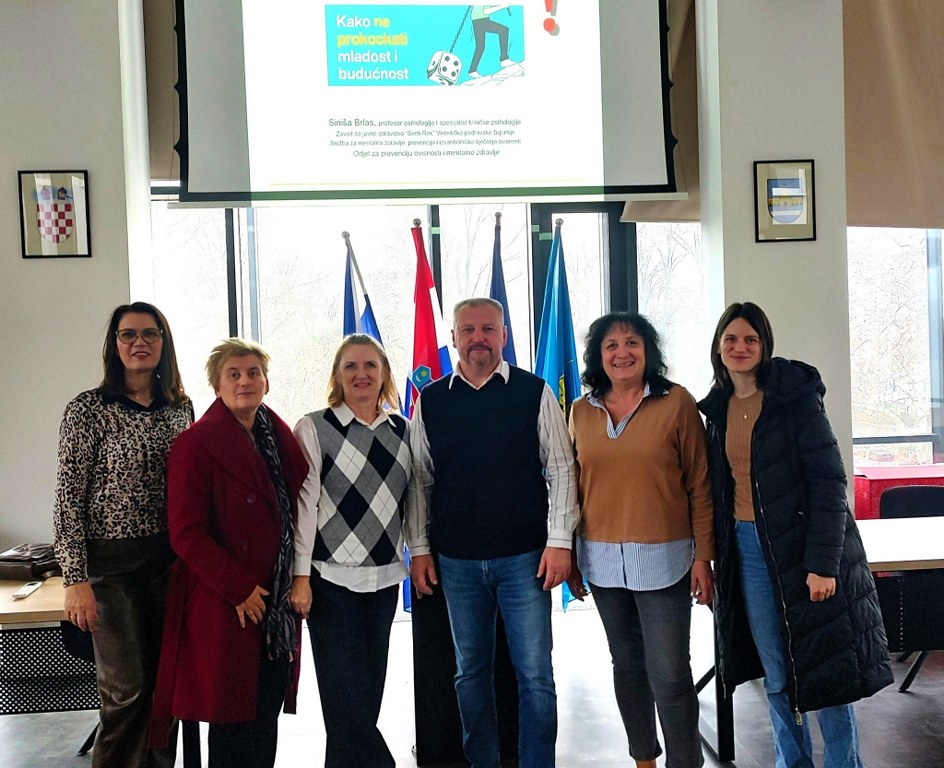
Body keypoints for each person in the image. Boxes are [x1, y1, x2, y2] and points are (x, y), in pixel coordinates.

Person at [698, 302, 892, 768]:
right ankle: (792, 762)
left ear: (764, 345)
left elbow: (829, 481)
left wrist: (822, 564)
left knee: (825, 670)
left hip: (805, 550)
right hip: (747, 551)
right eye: (731, 339)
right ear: (718, 348)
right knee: (776, 671)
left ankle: (844, 763)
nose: (740, 347)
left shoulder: (795, 397)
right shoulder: (718, 409)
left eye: (750, 339)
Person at [406, 297, 578, 768]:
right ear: (454, 339)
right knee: (469, 674)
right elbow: (419, 480)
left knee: (535, 675)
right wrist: (419, 548)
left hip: (526, 559)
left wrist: (560, 541)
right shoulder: (431, 400)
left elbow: (562, 469)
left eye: (488, 329)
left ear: (504, 335)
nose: (477, 338)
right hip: (456, 562)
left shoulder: (534, 392)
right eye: (468, 330)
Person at [150, 339, 309, 768]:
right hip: (227, 602)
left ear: (266, 382)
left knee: (265, 715)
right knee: (234, 723)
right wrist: (239, 589)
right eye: (233, 375)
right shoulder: (194, 444)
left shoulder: (275, 438)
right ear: (217, 386)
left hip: (274, 602)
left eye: (253, 373)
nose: (245, 381)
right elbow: (186, 534)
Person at [566, 311, 713, 768]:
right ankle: (643, 759)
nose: (622, 353)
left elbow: (700, 484)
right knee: (627, 668)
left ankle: (684, 763)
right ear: (598, 356)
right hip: (601, 560)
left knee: (670, 675)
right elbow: (570, 489)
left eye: (632, 342)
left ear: (648, 350)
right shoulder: (580, 411)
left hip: (666, 560)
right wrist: (570, 554)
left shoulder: (677, 403)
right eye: (611, 345)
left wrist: (704, 558)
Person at [53, 301, 192, 768]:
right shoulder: (87, 410)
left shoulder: (181, 408)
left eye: (150, 333)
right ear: (114, 345)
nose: (139, 343)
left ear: (163, 342)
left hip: (167, 564)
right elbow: (67, 498)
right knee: (127, 691)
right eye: (128, 334)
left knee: (165, 689)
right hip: (108, 571)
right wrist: (74, 579)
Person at [290, 334, 412, 768]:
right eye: (351, 367)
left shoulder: (403, 430)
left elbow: (413, 501)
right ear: (337, 376)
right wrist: (300, 577)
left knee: (366, 695)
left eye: (370, 366)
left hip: (385, 580)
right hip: (329, 581)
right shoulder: (314, 427)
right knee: (343, 697)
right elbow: (304, 507)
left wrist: (419, 553)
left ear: (384, 374)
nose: (361, 374)